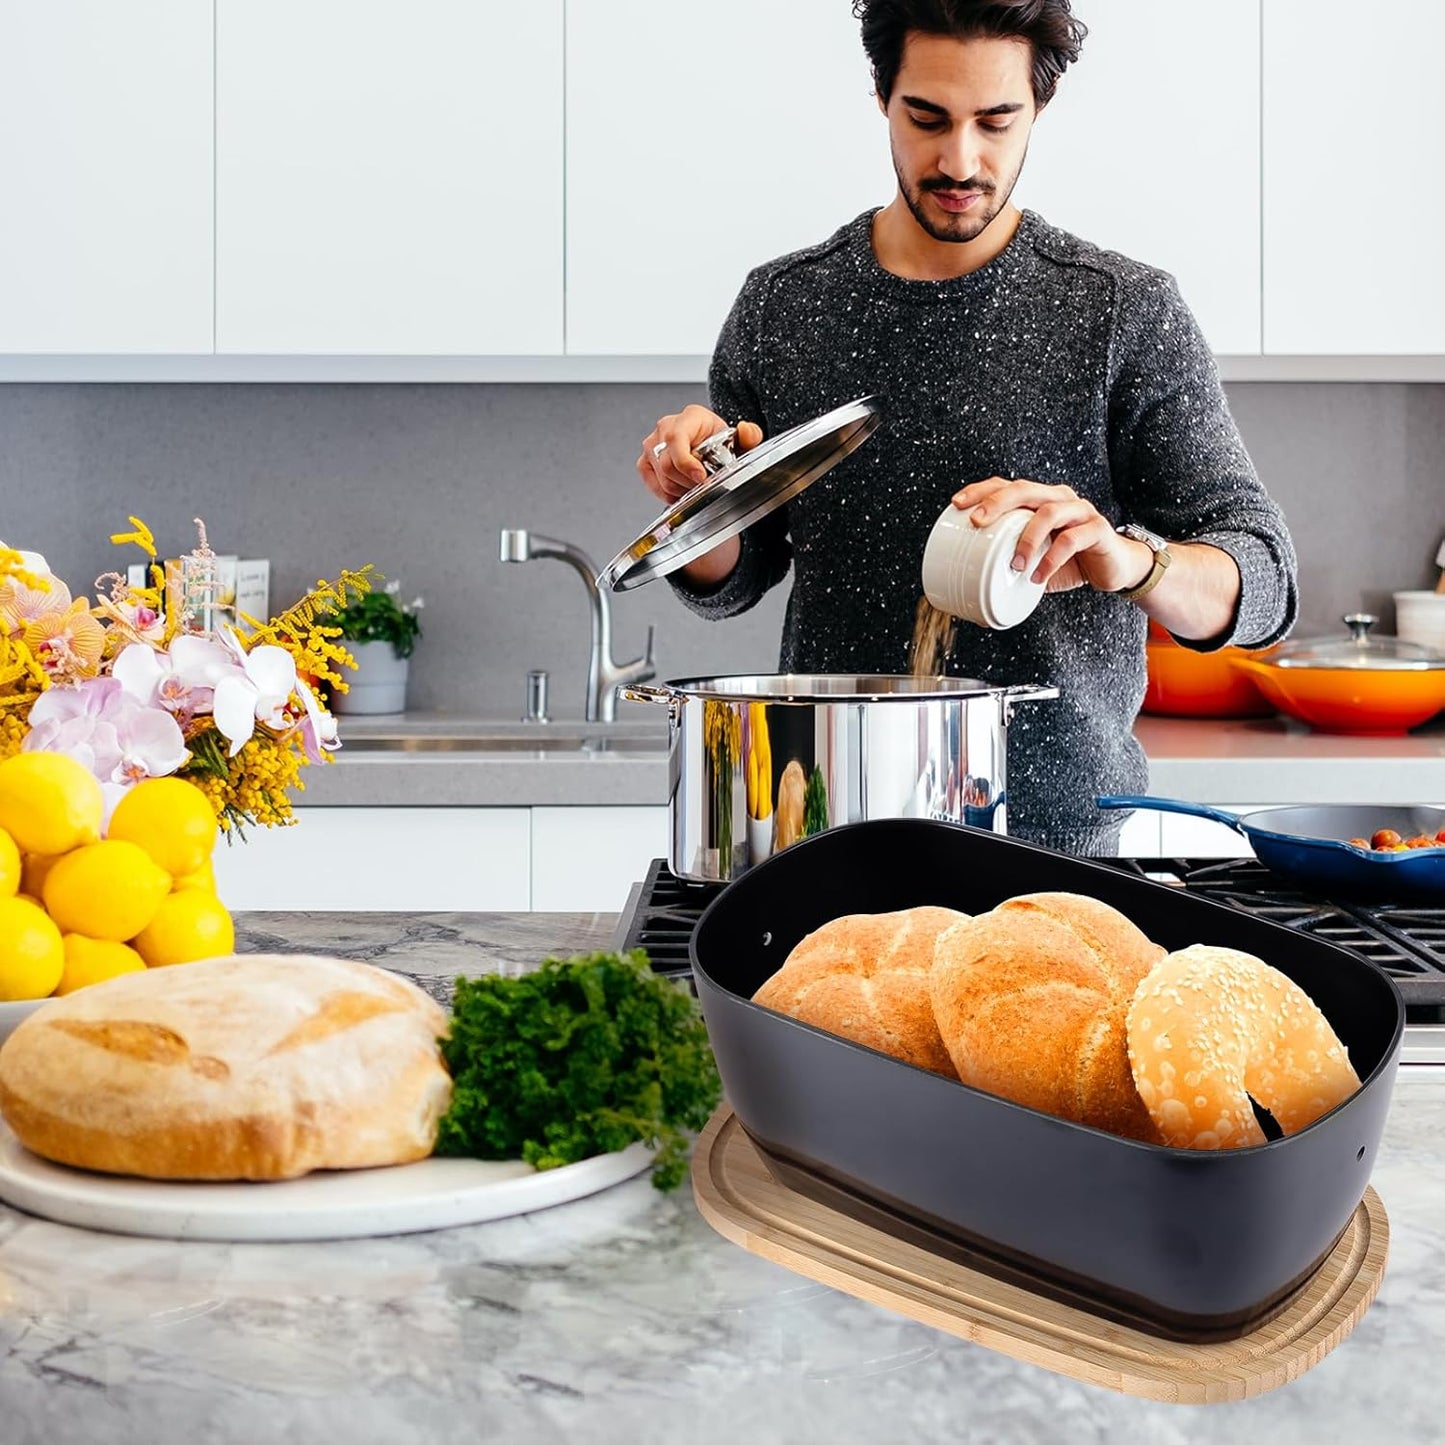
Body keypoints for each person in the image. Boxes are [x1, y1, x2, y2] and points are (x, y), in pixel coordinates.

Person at [634, 0, 1297, 856]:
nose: (960, 159)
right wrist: (699, 504)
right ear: (882, 97)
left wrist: (1128, 558)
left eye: (995, 121)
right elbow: (738, 574)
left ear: (1039, 109)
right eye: (927, 118)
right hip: (825, 824)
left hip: (1057, 837)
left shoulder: (1120, 311)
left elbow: (1263, 579)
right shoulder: (783, 306)